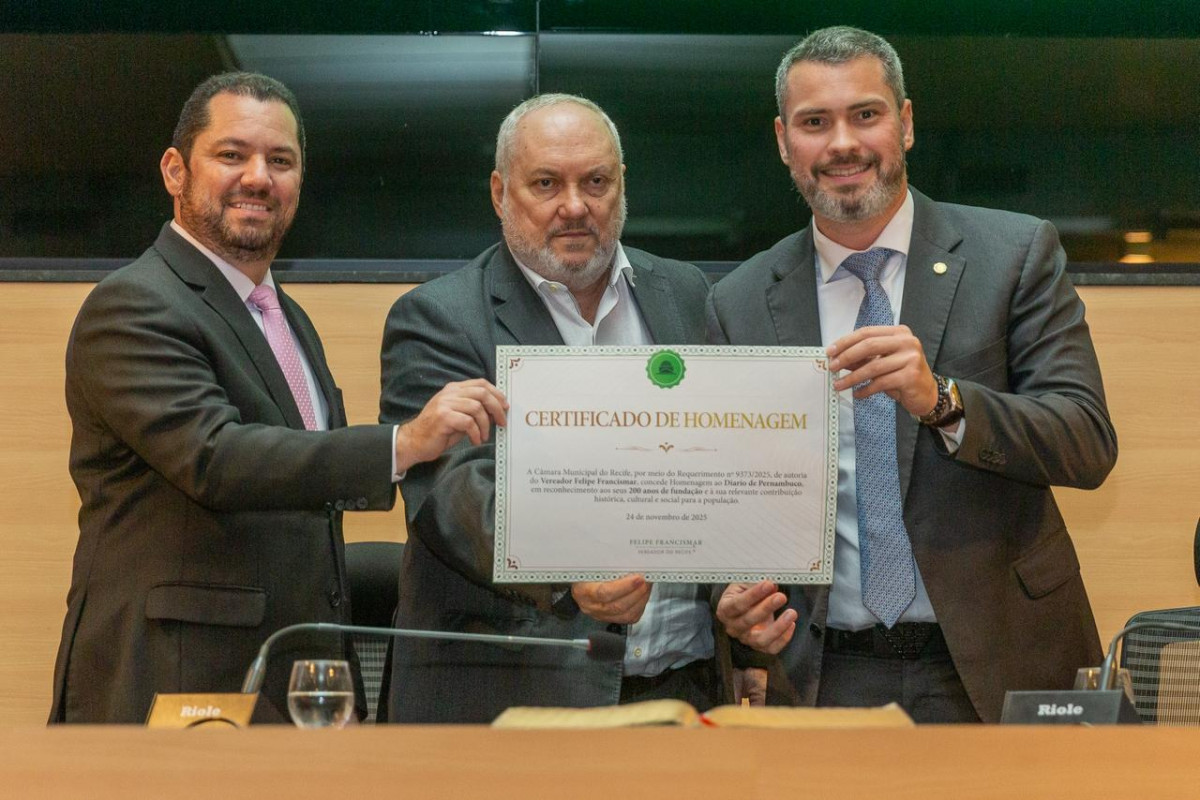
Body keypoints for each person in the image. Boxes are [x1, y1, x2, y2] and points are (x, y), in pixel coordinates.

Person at [49, 72, 506, 724]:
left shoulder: (284, 317)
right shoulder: (133, 305)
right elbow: (215, 457)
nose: (259, 177)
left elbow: (305, 494)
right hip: (175, 684)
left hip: (286, 683)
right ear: (175, 170)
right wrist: (402, 444)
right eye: (232, 154)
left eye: (281, 161)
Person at [708, 27, 1117, 722]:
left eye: (865, 114)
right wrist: (730, 600)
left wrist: (944, 402)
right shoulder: (739, 300)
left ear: (905, 123)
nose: (842, 143)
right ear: (784, 141)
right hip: (825, 675)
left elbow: (1086, 442)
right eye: (815, 122)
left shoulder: (1014, 254)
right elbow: (727, 492)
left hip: (1000, 658)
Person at [380, 94, 723, 723]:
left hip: (685, 689)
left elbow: (722, 466)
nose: (574, 206)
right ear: (499, 193)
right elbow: (453, 495)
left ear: (622, 186)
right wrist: (569, 573)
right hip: (515, 702)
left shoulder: (686, 292)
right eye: (546, 184)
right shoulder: (439, 317)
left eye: (595, 182)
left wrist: (743, 602)